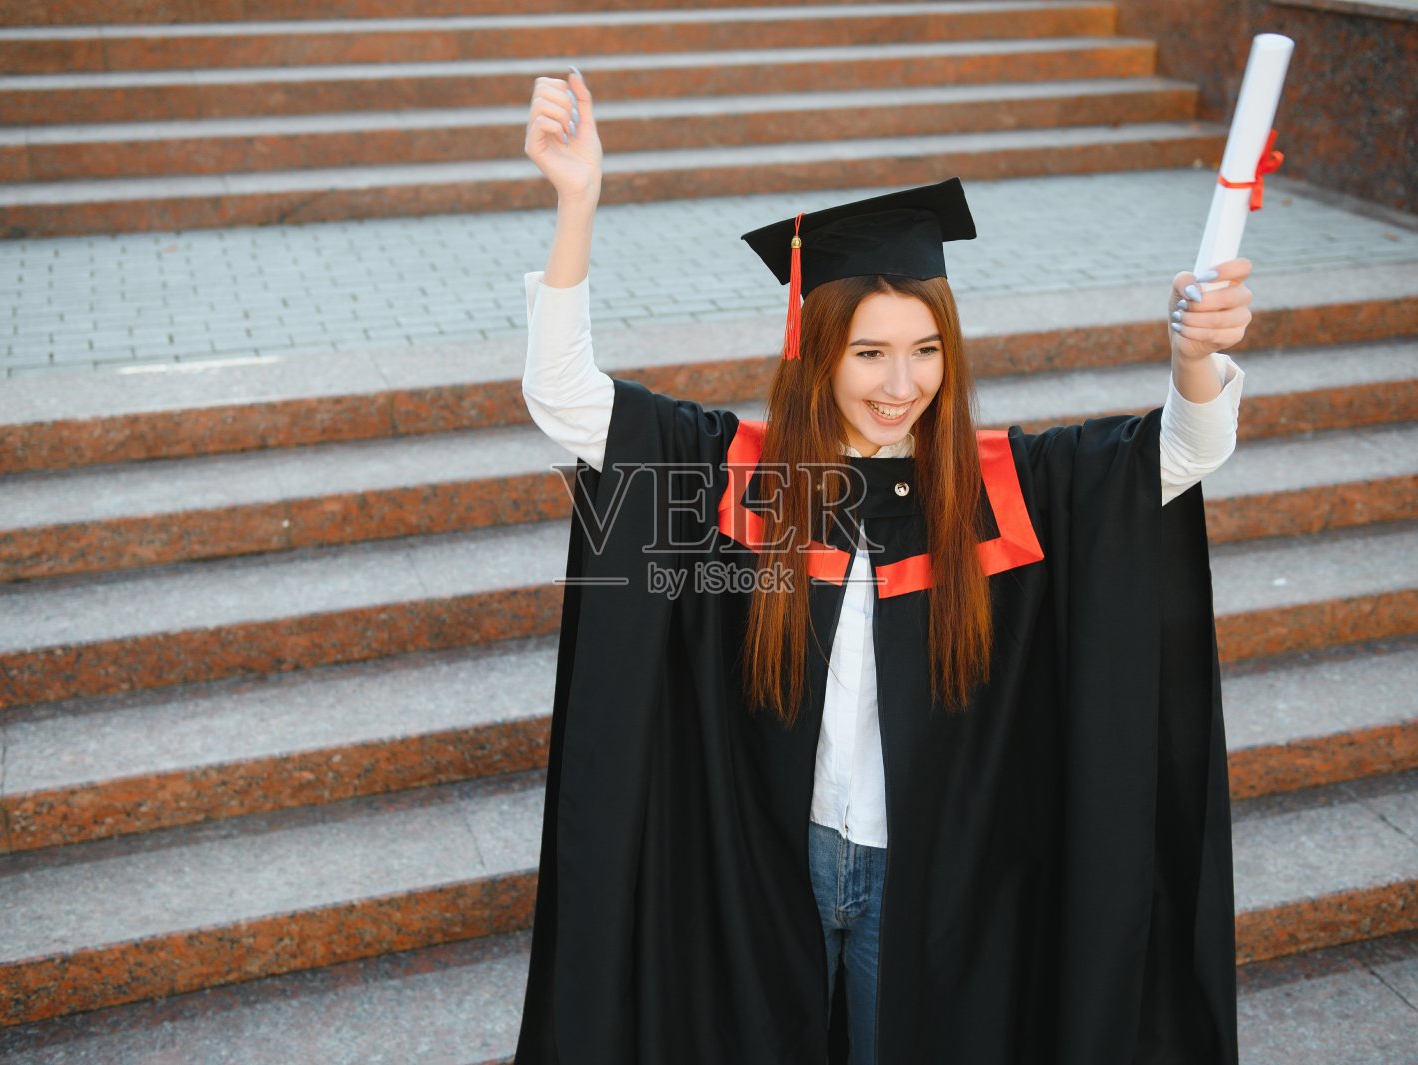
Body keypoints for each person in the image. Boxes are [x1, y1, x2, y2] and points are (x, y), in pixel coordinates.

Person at [513, 67, 1250, 1065]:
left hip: (933, 884)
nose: (901, 385)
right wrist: (577, 202)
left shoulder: (1005, 484)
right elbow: (566, 399)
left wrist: (1194, 359)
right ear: (814, 355)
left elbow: (1181, 452)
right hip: (769, 870)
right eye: (868, 354)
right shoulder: (745, 476)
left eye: (924, 351)